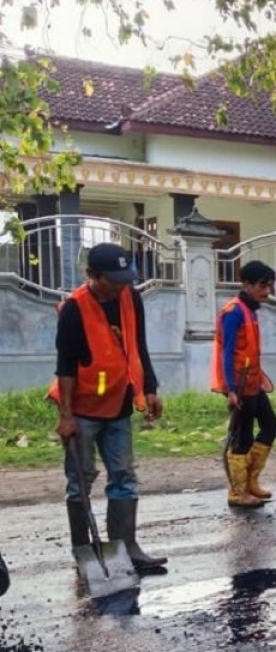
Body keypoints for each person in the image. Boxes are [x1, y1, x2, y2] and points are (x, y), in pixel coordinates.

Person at [49, 242, 168, 573]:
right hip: (83, 409)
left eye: (125, 279)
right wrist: (67, 416)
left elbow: (138, 345)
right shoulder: (74, 308)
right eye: (113, 280)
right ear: (91, 275)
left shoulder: (130, 297)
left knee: (124, 477)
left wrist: (150, 387)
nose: (121, 286)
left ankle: (126, 547)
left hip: (119, 404)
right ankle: (84, 551)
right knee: (80, 480)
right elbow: (66, 365)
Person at [212, 260, 276, 508]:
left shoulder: (250, 310)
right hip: (238, 387)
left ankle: (251, 481)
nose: (267, 291)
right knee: (242, 437)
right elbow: (227, 353)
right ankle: (237, 492)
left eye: (269, 286)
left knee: (271, 427)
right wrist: (230, 389)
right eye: (262, 286)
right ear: (247, 284)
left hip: (253, 384)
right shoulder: (234, 312)